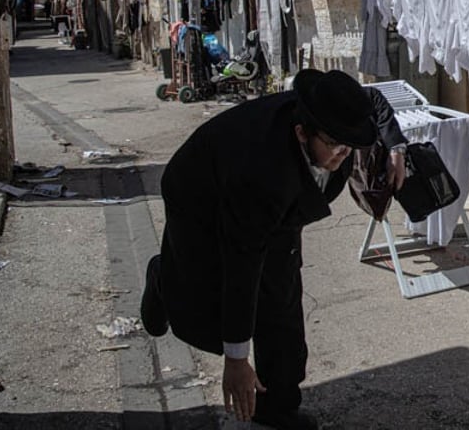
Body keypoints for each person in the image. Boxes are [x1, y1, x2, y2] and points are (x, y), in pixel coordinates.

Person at [140, 68, 409, 430]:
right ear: (302, 132)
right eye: (335, 145)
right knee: (207, 303)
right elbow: (243, 261)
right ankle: (163, 279)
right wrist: (236, 359)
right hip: (200, 192)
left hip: (278, 202)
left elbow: (373, 101)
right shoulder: (262, 171)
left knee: (280, 295)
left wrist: (396, 148)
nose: (344, 155)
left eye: (351, 145)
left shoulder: (336, 119)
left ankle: (277, 408)